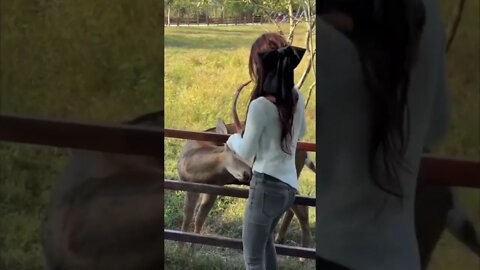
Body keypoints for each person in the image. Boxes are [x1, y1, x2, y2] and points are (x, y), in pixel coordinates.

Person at [316, 0, 449, 269]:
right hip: (399, 256)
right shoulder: (426, 11)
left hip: (332, 251)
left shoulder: (321, 36)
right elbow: (436, 125)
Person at [226, 33, 307, 270]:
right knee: (265, 244)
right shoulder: (297, 97)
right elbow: (300, 131)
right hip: (288, 189)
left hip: (265, 189)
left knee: (252, 259)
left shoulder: (260, 105)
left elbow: (246, 150)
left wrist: (232, 139)